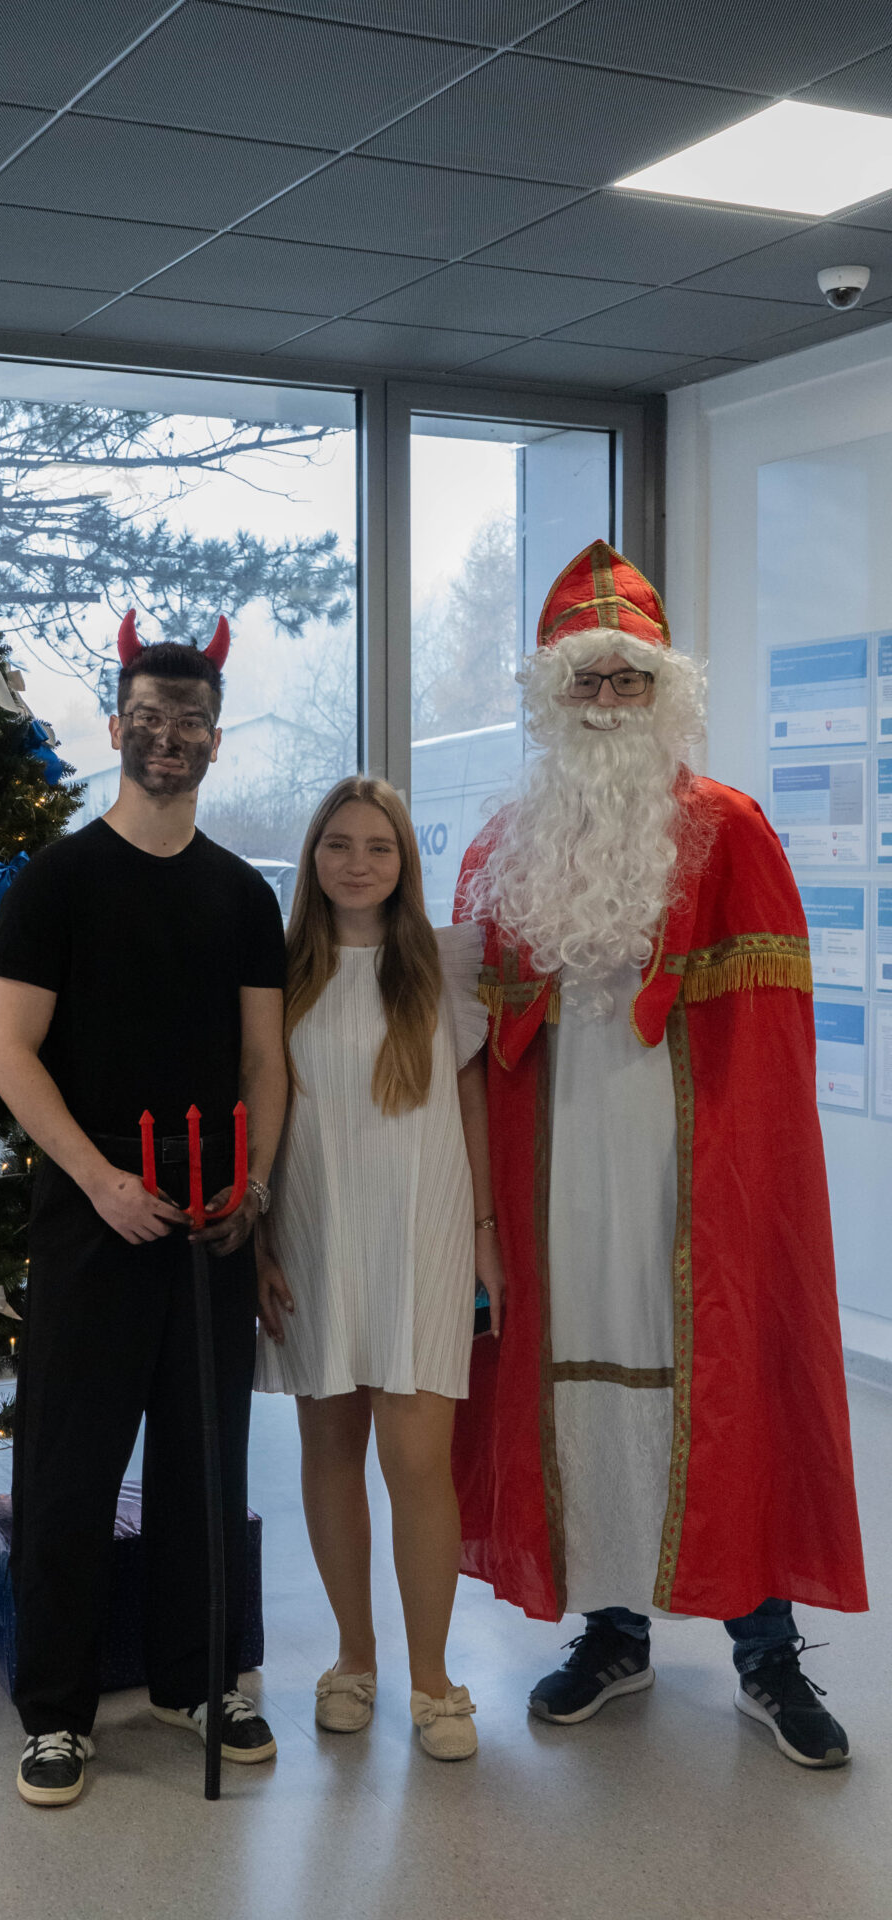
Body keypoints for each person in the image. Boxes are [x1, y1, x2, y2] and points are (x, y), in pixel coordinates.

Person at [451, 540, 866, 1769]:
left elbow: (769, 1047)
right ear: (552, 697)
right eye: (585, 681)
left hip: (695, 1176)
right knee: (575, 1380)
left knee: (724, 1375)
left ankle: (764, 1651)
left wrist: (742, 1183)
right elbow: (474, 1043)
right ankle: (611, 1630)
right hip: (557, 1177)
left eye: (626, 679)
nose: (606, 701)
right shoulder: (504, 844)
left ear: (660, 692)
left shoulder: (728, 831)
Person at [0, 609, 289, 1807]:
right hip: (93, 1204)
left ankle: (196, 1678)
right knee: (70, 1462)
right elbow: (11, 1052)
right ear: (116, 729)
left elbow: (263, 1059)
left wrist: (253, 1184)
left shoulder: (241, 895)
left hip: (213, 1203)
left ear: (216, 740)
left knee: (204, 1461)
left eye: (191, 721)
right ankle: (56, 1713)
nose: (170, 736)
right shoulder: (54, 882)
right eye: (150, 718)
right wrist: (97, 1180)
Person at [256, 777, 502, 1760]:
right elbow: (254, 1106)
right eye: (338, 845)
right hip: (314, 1230)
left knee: (416, 1464)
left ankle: (433, 1682)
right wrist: (258, 1239)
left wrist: (484, 1234)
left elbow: (472, 1102)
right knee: (329, 1454)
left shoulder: (445, 965)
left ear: (404, 863)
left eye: (378, 847)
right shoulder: (276, 971)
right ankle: (352, 1660)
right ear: (311, 859)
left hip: (422, 1232)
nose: (356, 863)